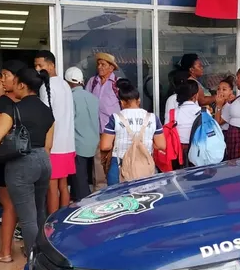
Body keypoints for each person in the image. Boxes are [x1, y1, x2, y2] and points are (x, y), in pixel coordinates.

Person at [0, 67, 55, 270]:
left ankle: (34, 267)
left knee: (27, 218)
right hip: (43, 161)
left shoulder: (14, 109)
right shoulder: (47, 110)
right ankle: (46, 260)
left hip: (21, 164)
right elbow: (49, 144)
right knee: (39, 213)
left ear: (22, 85)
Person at [0, 60, 26, 259]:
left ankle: (6, 252)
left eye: (5, 76)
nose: (2, 80)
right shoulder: (35, 101)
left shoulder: (4, 102)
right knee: (28, 203)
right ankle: (30, 249)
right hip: (29, 158)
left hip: (6, 156)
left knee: (9, 204)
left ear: (17, 78)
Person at [99, 79, 165, 185]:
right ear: (138, 100)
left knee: (118, 198)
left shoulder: (115, 118)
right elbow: (161, 145)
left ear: (121, 102)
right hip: (145, 166)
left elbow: (105, 146)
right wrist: (147, 144)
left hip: (119, 165)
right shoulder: (153, 118)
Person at [34, 50, 76, 214]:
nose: (38, 69)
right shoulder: (65, 84)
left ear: (51, 66)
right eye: (35, 65)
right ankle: (63, 220)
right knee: (63, 186)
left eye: (41, 65)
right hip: (67, 145)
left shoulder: (46, 86)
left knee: (52, 189)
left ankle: (51, 224)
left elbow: (45, 117)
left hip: (53, 146)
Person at [64, 66, 100, 201]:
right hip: (93, 143)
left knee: (80, 179)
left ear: (67, 82)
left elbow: (69, 122)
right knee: (87, 177)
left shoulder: (70, 98)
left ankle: (83, 204)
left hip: (77, 144)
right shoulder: (93, 98)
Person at [87, 52, 120, 191]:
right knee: (98, 162)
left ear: (111, 68)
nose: (100, 67)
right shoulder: (92, 82)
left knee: (114, 160)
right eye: (98, 64)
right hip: (96, 129)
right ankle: (99, 191)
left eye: (103, 65)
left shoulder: (117, 83)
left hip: (113, 131)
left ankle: (115, 190)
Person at [168, 79, 201, 168]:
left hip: (178, 152)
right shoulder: (203, 112)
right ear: (195, 96)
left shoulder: (173, 113)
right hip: (198, 151)